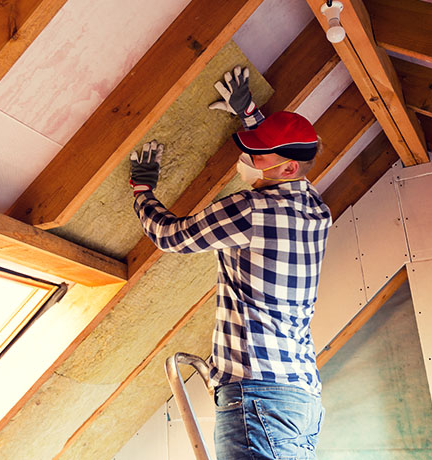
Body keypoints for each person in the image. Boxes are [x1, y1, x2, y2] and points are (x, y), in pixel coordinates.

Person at [129, 66, 332, 460]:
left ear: (288, 168)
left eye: (257, 152)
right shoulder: (316, 210)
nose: (247, 157)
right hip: (299, 399)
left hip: (259, 397)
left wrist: (142, 190)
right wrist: (250, 115)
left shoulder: (251, 210)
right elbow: (287, 157)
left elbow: (171, 236)